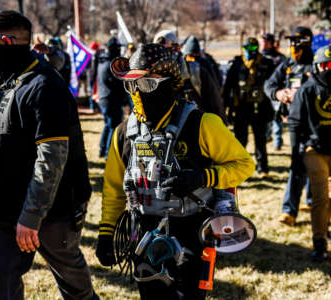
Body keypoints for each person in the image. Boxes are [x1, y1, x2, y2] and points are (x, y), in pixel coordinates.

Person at [95, 43, 255, 300]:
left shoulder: (203, 124)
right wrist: (106, 232)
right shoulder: (124, 133)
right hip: (143, 232)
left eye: (146, 85)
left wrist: (203, 177)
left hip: (191, 230)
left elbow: (244, 165)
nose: (137, 92)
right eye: (131, 85)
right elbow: (114, 188)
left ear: (170, 83)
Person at [0, 10, 98, 299]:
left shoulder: (44, 85)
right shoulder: (3, 81)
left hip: (52, 213)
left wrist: (31, 216)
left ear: (5, 42)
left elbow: (51, 159)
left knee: (75, 288)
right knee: (0, 283)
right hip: (5, 208)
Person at [289, 45, 331, 261]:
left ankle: (323, 227)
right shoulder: (307, 89)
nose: (329, 69)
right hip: (314, 151)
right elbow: (294, 123)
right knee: (320, 197)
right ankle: (319, 242)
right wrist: (295, 156)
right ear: (316, 67)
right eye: (324, 65)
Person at [264, 26, 314, 225]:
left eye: (297, 42)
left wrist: (301, 94)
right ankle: (289, 211)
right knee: (296, 163)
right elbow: (269, 84)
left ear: (307, 42)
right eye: (291, 42)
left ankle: (311, 201)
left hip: (314, 123)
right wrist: (279, 94)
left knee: (312, 161)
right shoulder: (287, 64)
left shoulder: (316, 64)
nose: (293, 46)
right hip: (293, 122)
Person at [223, 37, 275, 177]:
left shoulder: (266, 63)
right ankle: (239, 168)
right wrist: (226, 107)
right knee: (240, 141)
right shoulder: (237, 63)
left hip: (260, 107)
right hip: (240, 107)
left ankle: (263, 168)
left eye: (253, 49)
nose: (250, 51)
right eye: (247, 48)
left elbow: (273, 84)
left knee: (260, 140)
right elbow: (228, 86)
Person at [154, 30, 225, 120]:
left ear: (178, 48)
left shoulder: (196, 71)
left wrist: (219, 128)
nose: (164, 57)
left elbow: (215, 104)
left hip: (195, 128)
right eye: (159, 52)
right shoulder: (149, 77)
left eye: (167, 50)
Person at [97, 36, 127, 158]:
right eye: (118, 48)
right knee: (113, 127)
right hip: (111, 99)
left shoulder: (103, 61)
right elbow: (116, 84)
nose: (119, 50)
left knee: (108, 124)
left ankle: (102, 148)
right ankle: (108, 154)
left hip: (105, 98)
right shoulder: (110, 64)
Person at [260, 32, 286, 151]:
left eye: (265, 42)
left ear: (270, 43)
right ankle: (266, 137)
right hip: (262, 92)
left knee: (276, 117)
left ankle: (278, 142)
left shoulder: (279, 58)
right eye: (261, 41)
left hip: (276, 92)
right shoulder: (259, 58)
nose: (262, 44)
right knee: (265, 117)